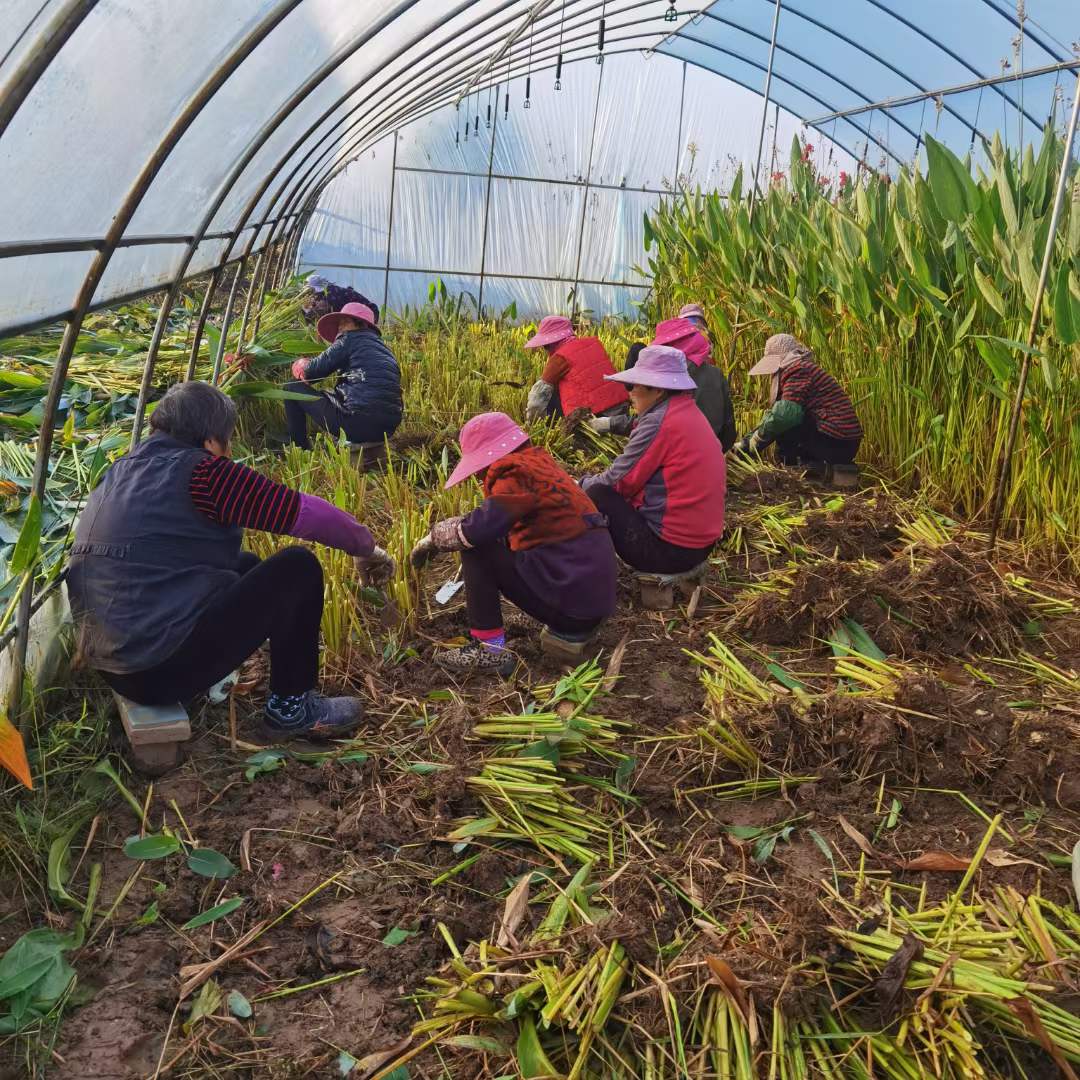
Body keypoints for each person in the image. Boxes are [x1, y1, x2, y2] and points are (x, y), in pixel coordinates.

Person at [67, 382, 395, 741]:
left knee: (245, 564)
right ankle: (291, 709)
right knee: (297, 569)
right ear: (210, 440)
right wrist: (367, 548)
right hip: (157, 669)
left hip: (112, 662)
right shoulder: (205, 474)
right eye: (228, 439)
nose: (229, 448)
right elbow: (307, 514)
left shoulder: (122, 470)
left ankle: (278, 649)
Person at [410, 412, 617, 675]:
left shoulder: (514, 472)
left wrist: (434, 539)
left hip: (575, 609)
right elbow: (501, 523)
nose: (477, 477)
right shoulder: (539, 466)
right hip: (590, 601)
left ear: (491, 456)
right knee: (493, 540)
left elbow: (480, 529)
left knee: (478, 551)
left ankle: (489, 650)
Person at [581, 346, 726, 575]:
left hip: (670, 551)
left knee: (597, 493)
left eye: (636, 385)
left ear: (657, 390)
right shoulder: (688, 412)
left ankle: (588, 574)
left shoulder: (660, 422)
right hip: (701, 546)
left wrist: (578, 486)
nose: (630, 392)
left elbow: (619, 482)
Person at [591, 318, 736, 450]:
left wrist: (610, 423)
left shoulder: (671, 379)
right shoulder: (716, 374)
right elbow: (728, 430)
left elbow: (651, 422)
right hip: (711, 456)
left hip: (677, 458)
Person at [285, 301, 402, 450]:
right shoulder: (386, 352)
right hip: (387, 429)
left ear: (360, 324)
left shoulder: (349, 339)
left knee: (291, 388)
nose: (339, 329)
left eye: (344, 323)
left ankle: (299, 448)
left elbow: (311, 372)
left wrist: (299, 364)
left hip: (358, 423)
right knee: (332, 394)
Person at [733, 333, 861, 466]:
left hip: (837, 443)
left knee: (786, 425)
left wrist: (757, 440)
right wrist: (747, 441)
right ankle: (800, 464)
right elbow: (778, 413)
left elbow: (783, 416)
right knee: (785, 419)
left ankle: (789, 469)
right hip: (841, 442)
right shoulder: (803, 367)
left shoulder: (798, 369)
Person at [522, 315, 629, 425]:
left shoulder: (559, 358)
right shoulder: (593, 344)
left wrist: (533, 425)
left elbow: (537, 401)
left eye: (545, 347)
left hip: (594, 419)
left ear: (550, 343)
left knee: (549, 392)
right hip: (621, 411)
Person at [301, 274, 380, 327]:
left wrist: (305, 316)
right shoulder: (328, 292)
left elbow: (321, 312)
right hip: (358, 317)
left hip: (367, 315)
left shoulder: (331, 292)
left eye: (311, 291)